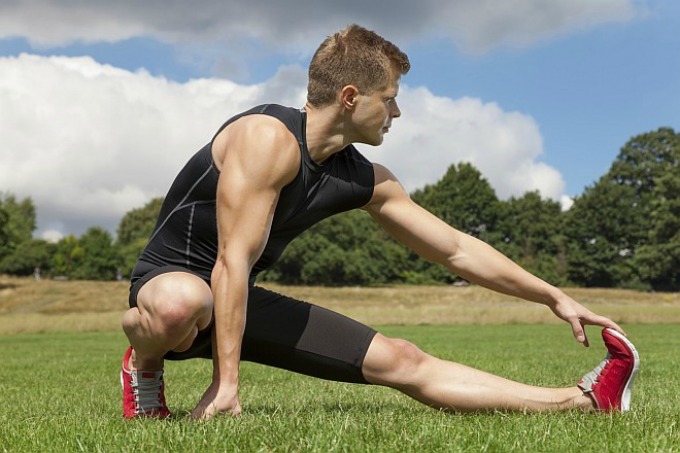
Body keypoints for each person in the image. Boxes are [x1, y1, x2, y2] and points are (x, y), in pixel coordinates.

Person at [120, 24, 639, 420]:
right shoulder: (266, 139)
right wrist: (225, 384)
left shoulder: (365, 178)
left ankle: (584, 402)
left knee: (402, 359)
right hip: (173, 289)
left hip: (237, 302)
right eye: (389, 99)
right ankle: (143, 363)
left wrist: (553, 295)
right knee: (183, 303)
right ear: (351, 97)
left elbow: (454, 250)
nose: (397, 114)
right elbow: (232, 259)